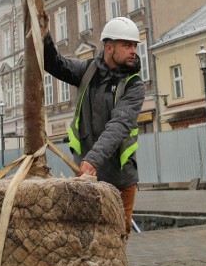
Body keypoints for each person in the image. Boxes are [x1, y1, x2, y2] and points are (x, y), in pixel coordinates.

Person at [43, 16, 145, 236]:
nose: (133, 51)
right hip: (87, 174)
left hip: (120, 178)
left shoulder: (134, 84)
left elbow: (120, 124)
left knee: (116, 238)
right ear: (109, 48)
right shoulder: (87, 71)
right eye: (127, 45)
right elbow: (54, 63)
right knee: (85, 235)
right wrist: (43, 34)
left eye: (134, 46)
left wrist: (93, 159)